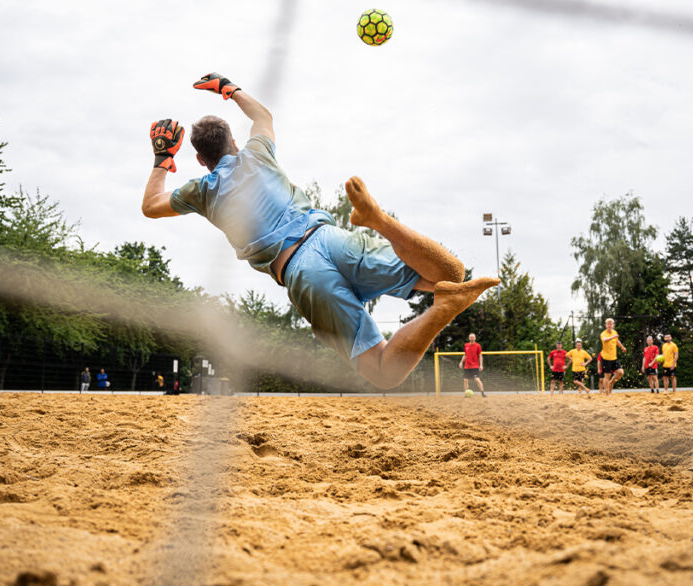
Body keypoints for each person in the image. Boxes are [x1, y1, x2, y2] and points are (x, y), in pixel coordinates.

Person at [140, 72, 499, 390]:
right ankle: (380, 221)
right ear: (233, 142)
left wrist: (163, 159)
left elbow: (150, 206)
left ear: (202, 161)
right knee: (450, 273)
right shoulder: (257, 152)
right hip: (331, 237)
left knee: (384, 372)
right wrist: (228, 88)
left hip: (301, 271)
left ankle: (441, 310)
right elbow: (263, 116)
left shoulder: (202, 191)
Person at [599, 318, 627, 395]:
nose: (609, 325)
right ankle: (607, 394)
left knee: (620, 372)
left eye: (611, 324)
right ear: (605, 325)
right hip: (606, 358)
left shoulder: (615, 332)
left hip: (614, 358)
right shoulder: (603, 333)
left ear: (613, 325)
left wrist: (622, 347)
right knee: (607, 375)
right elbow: (605, 340)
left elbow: (617, 341)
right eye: (608, 324)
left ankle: (611, 382)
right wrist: (612, 337)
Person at [461, 333, 486, 397]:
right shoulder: (466, 345)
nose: (472, 338)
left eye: (473, 337)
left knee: (477, 379)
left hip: (475, 366)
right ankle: (466, 394)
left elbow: (480, 355)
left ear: (475, 338)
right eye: (470, 337)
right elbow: (465, 355)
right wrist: (461, 362)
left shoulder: (478, 345)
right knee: (465, 380)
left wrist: (481, 365)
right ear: (469, 338)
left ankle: (482, 393)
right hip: (467, 366)